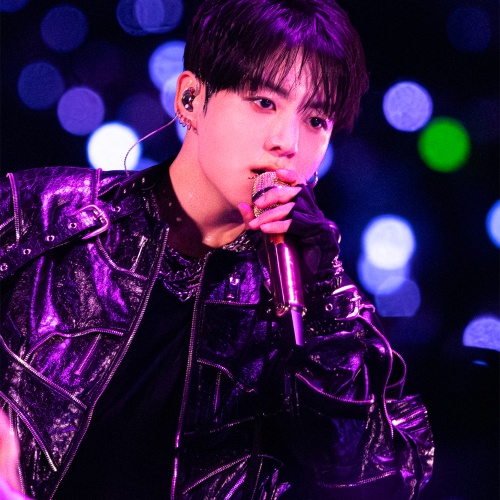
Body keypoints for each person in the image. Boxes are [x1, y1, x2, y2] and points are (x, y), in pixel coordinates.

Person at [0, 0, 434, 498]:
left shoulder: (309, 295)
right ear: (190, 98)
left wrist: (321, 297)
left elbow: (382, 478)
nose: (288, 142)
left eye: (316, 119)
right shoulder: (44, 213)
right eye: (264, 102)